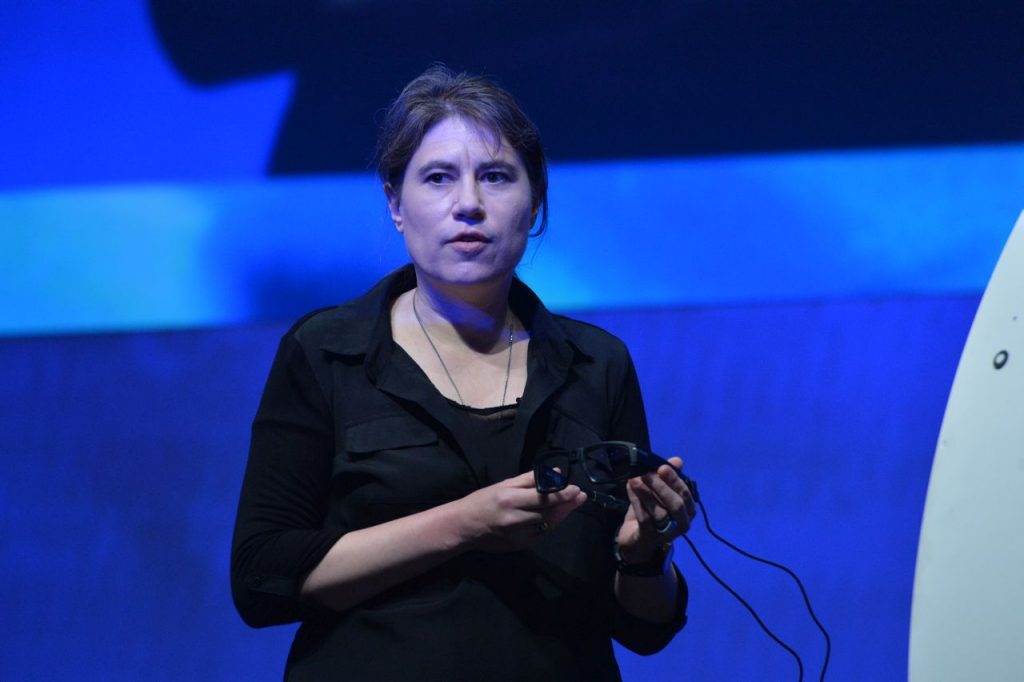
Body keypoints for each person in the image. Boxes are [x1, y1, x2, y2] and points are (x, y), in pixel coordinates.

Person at [230, 65, 696, 681]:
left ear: (534, 205)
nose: (469, 204)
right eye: (438, 178)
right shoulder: (326, 351)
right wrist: (466, 522)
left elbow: (644, 629)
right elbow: (264, 578)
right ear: (396, 204)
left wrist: (643, 557)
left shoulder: (596, 364)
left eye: (497, 177)